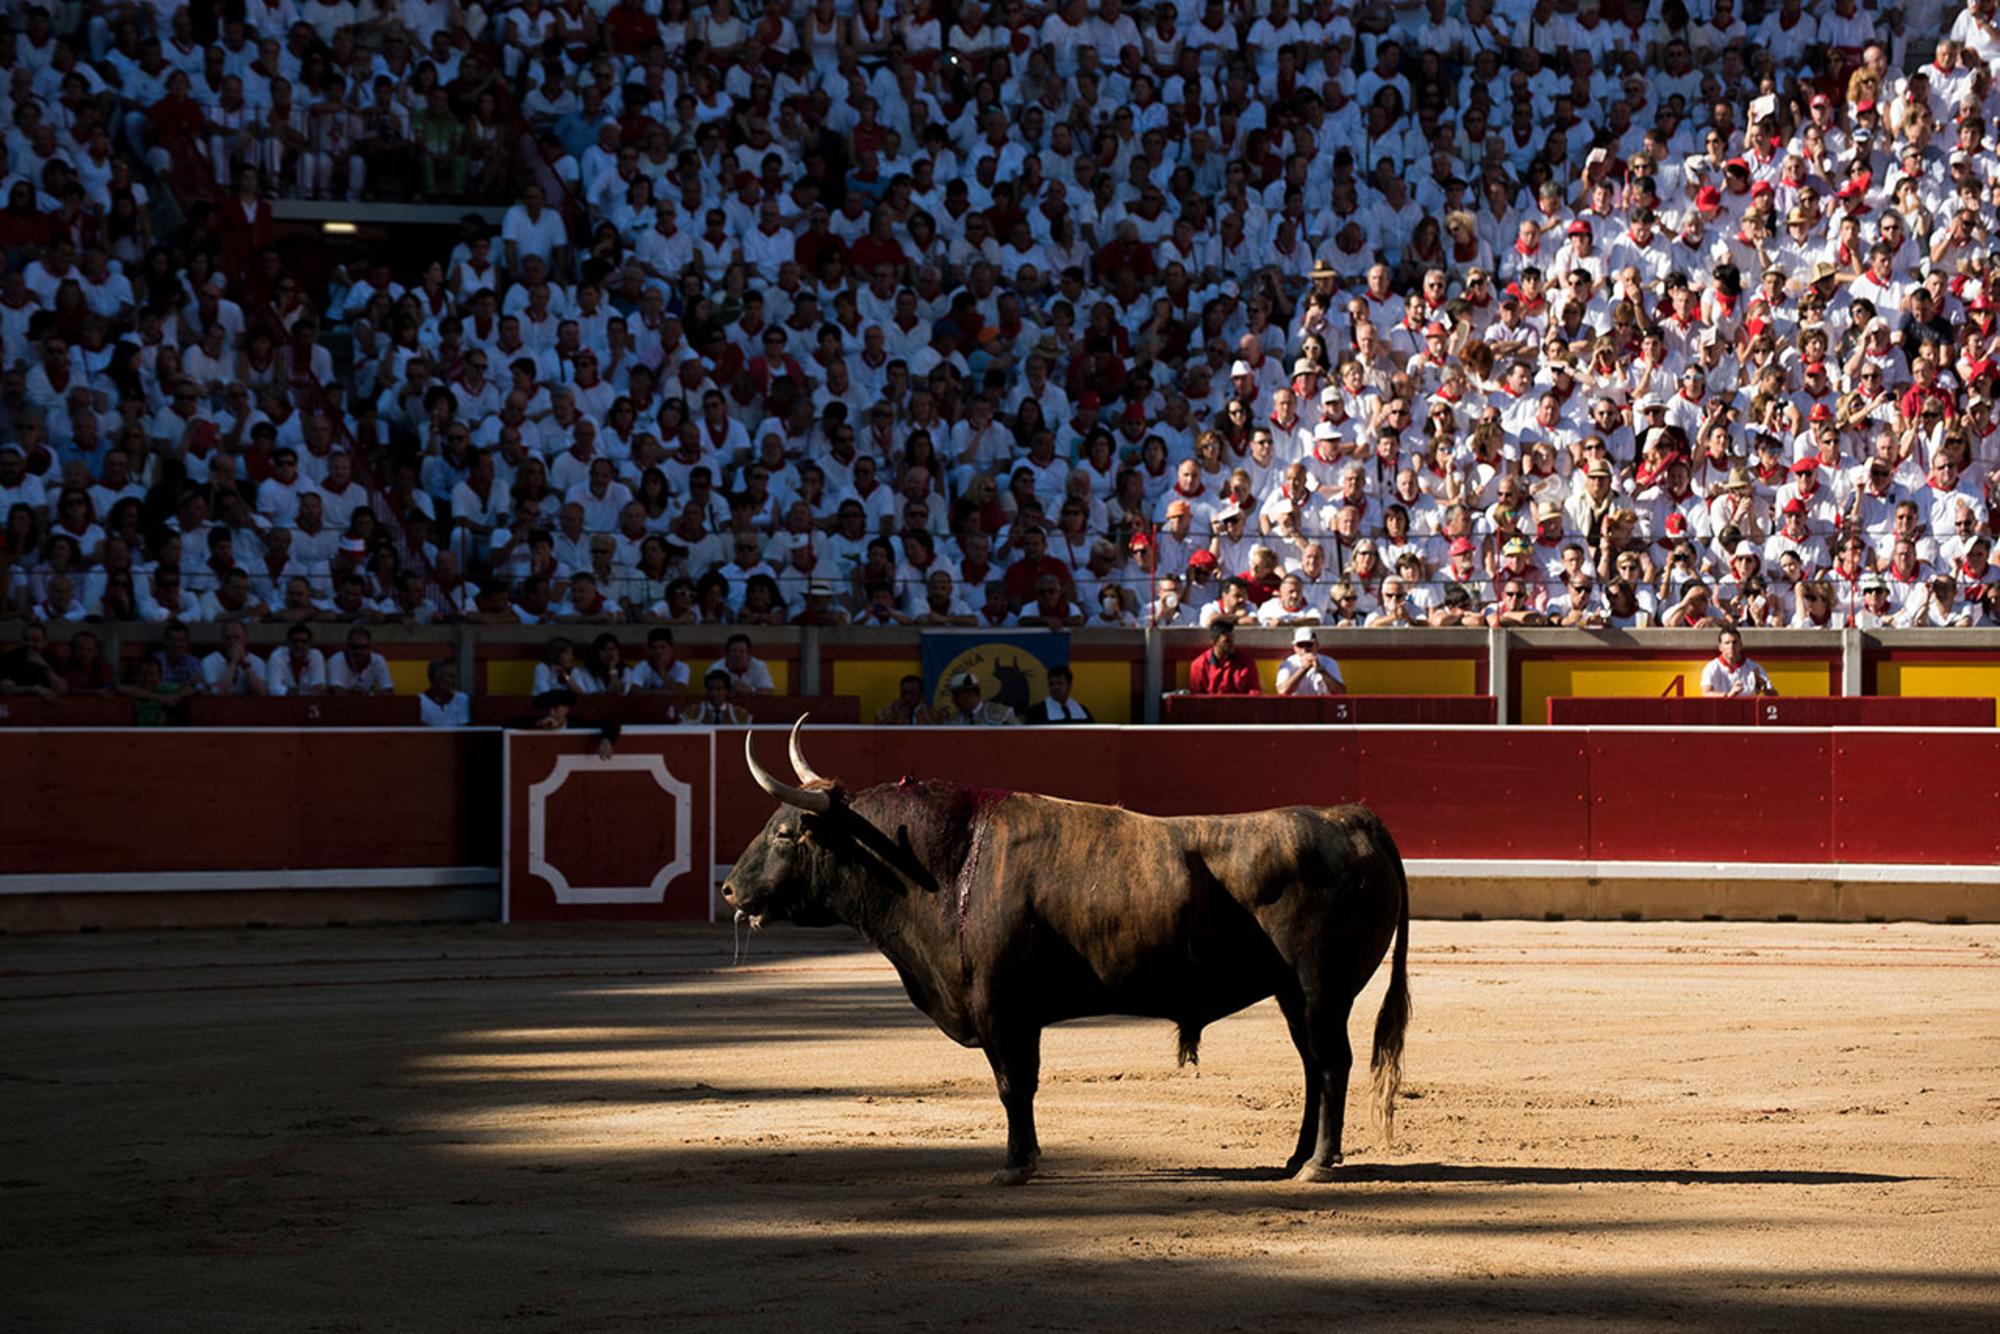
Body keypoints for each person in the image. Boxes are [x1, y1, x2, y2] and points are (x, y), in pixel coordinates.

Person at [1188, 618, 1259, 695]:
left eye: (1232, 639)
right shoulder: (1199, 665)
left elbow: (1254, 692)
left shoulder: (1246, 662)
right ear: (1214, 641)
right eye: (1227, 641)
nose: (1232, 644)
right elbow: (1197, 699)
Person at [1700, 628, 1776, 698]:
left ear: (1741, 645)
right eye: (1727, 643)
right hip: (1721, 710)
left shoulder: (1754, 667)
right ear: (1720, 647)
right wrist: (1728, 695)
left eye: (1735, 642)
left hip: (1748, 711)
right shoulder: (1712, 667)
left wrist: (1765, 689)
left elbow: (1775, 697)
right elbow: (1705, 693)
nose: (1731, 646)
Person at [0, 624, 68, 701]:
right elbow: (6, 689)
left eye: (36, 640)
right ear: (21, 641)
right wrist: (35, 689)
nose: (30, 643)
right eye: (26, 639)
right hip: (18, 704)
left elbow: (62, 690)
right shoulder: (11, 657)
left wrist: (47, 668)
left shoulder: (51, 658)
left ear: (45, 643)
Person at [201, 621, 269, 696]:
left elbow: (262, 692)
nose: (232, 642)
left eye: (237, 637)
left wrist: (244, 663)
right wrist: (233, 663)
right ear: (222, 639)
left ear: (245, 638)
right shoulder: (209, 661)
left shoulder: (257, 661)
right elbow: (216, 693)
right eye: (228, 638)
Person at [1275, 628, 1346, 697]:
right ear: (1295, 648)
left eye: (1309, 644)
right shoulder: (1289, 663)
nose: (1304, 649)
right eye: (1300, 645)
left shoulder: (1328, 662)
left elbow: (1341, 692)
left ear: (1317, 645)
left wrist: (1322, 671)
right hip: (1296, 706)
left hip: (1322, 706)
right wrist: (1303, 669)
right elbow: (1282, 691)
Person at [937, 670, 1020, 725]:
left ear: (969, 694)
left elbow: (1020, 738)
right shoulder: (953, 721)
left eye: (956, 695)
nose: (953, 700)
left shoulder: (1001, 713)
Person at [329, 628, 395, 695]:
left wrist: (368, 695)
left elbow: (388, 690)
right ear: (347, 646)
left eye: (363, 647)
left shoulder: (378, 660)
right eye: (354, 647)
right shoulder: (337, 659)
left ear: (370, 647)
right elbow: (335, 690)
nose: (358, 651)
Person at [267, 625, 328, 696]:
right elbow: (273, 689)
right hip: (283, 702)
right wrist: (303, 691)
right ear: (288, 642)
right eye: (295, 641)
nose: (299, 645)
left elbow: (318, 687)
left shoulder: (316, 655)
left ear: (310, 643)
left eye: (304, 642)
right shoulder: (277, 656)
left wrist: (293, 691)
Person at [707, 633, 776, 695]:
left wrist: (750, 691)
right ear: (727, 654)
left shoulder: (759, 666)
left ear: (749, 655)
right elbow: (708, 693)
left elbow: (768, 691)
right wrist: (729, 691)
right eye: (734, 651)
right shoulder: (716, 668)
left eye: (742, 651)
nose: (737, 655)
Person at [627, 627, 690, 693]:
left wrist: (663, 673)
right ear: (649, 650)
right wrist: (663, 692)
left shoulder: (682, 667)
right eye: (654, 647)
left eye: (662, 647)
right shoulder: (641, 666)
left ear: (671, 649)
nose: (658, 651)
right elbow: (635, 692)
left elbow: (680, 692)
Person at [1025, 665, 1093, 723]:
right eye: (1051, 684)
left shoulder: (1083, 711)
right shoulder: (1036, 712)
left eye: (1060, 683)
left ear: (1069, 685)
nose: (1055, 687)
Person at [684, 669, 753, 723]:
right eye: (710, 689)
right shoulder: (691, 713)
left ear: (727, 691)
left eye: (719, 689)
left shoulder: (741, 715)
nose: (714, 693)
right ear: (705, 691)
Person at [420, 659, 470, 727]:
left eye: (454, 676)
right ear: (435, 677)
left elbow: (464, 729)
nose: (453, 681)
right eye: (449, 676)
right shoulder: (420, 701)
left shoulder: (461, 699)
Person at [876, 673, 941, 725]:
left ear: (921, 695)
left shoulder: (931, 714)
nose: (907, 697)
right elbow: (877, 731)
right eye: (904, 693)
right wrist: (895, 716)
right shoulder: (890, 710)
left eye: (913, 693)